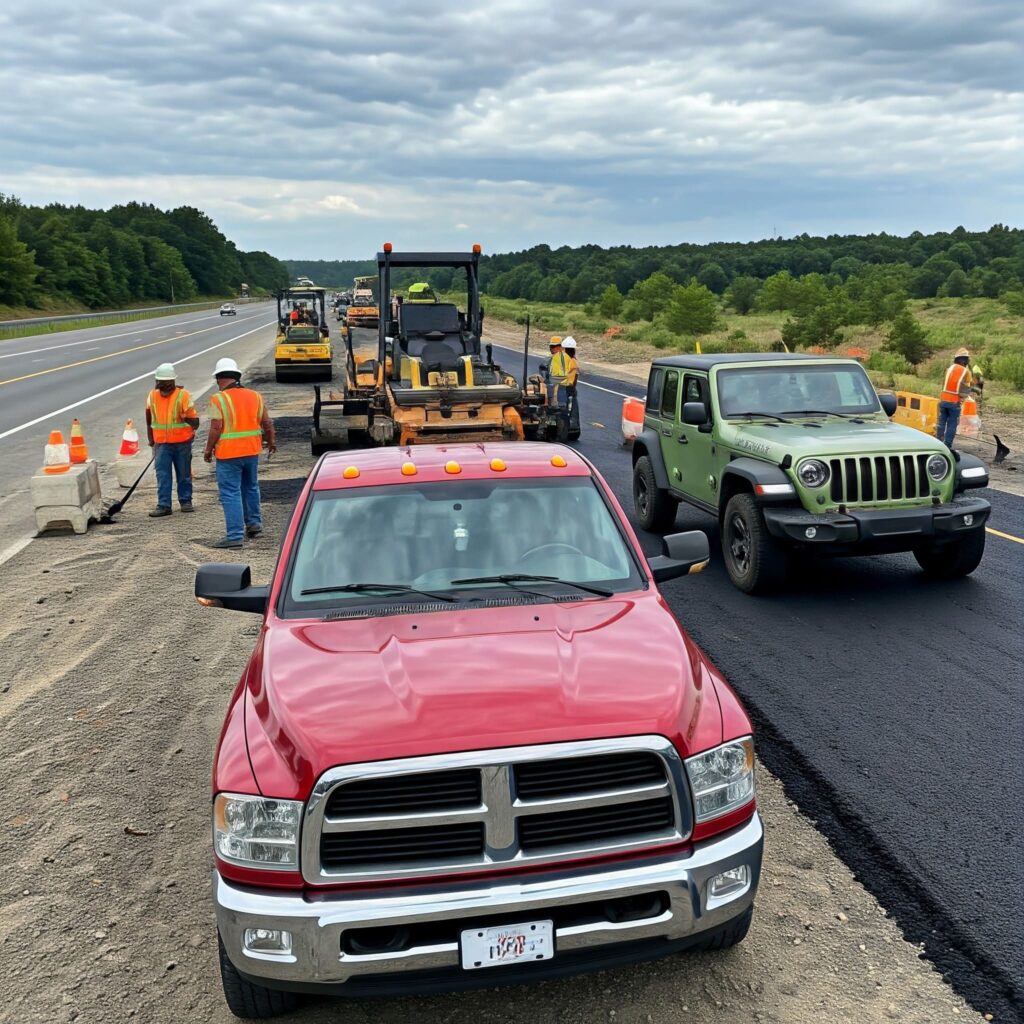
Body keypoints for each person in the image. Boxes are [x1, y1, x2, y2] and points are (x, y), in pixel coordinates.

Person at [203, 357, 276, 549]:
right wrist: (271, 441)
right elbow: (267, 423)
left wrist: (208, 449)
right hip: (252, 451)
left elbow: (216, 428)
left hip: (228, 454)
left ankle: (234, 536)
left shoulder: (217, 399)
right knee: (251, 487)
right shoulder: (255, 396)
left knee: (230, 493)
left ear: (219, 378)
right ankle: (254, 524)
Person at [145, 362, 199, 517]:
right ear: (157, 382)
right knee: (162, 475)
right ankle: (164, 505)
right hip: (162, 443)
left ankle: (186, 501)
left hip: (182, 442)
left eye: (167, 384)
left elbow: (196, 422)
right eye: (161, 384)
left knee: (184, 473)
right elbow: (149, 419)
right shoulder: (152, 396)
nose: (164, 387)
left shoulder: (183, 395)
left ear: (174, 382)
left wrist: (186, 417)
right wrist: (151, 439)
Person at [936, 347, 976, 448]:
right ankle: (947, 446)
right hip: (954, 403)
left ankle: (938, 442)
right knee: (952, 425)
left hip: (943, 400)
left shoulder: (949, 369)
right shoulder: (965, 372)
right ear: (964, 360)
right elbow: (969, 385)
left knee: (941, 422)